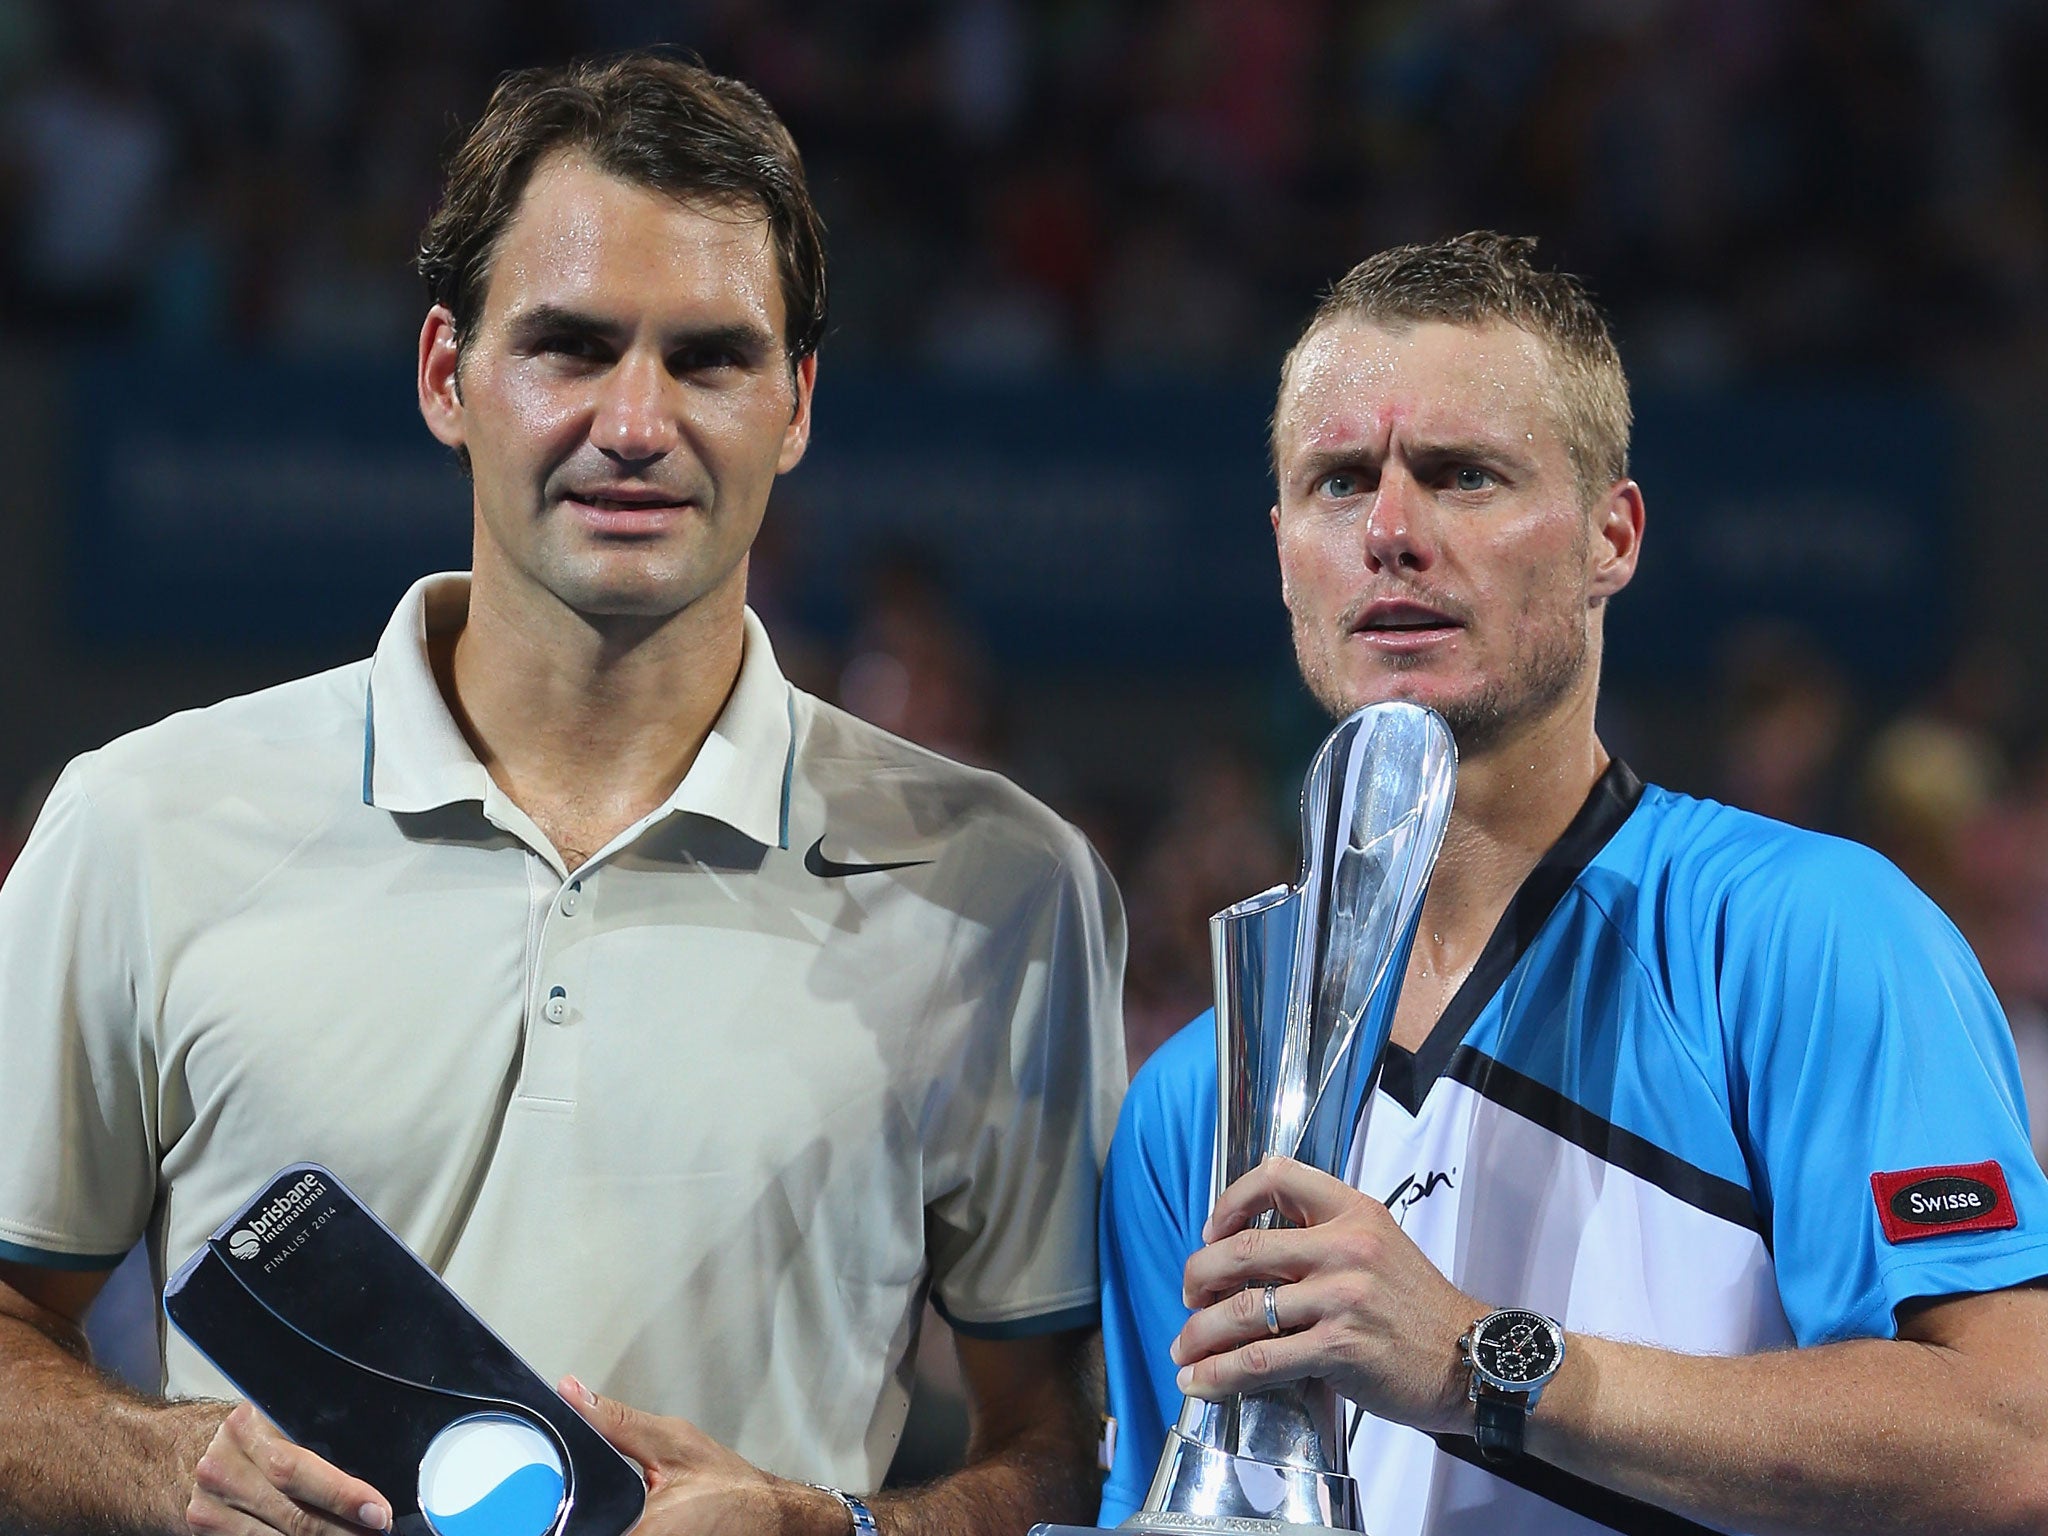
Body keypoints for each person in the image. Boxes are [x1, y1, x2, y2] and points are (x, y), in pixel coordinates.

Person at [0, 53, 1126, 1536]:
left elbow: (1067, 1451)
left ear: (795, 407)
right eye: (572, 346)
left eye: (711, 357)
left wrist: (828, 1529)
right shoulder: (142, 823)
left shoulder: (1004, 885)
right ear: (445, 376)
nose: (638, 422)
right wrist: (161, 1465)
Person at [1098, 232, 2048, 1536]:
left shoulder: (1808, 938)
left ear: (1614, 536)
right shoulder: (1198, 1104)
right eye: (1336, 483)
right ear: (1281, 552)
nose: (1388, 531)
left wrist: (1477, 1361)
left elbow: (2013, 1443)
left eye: (1463, 476)